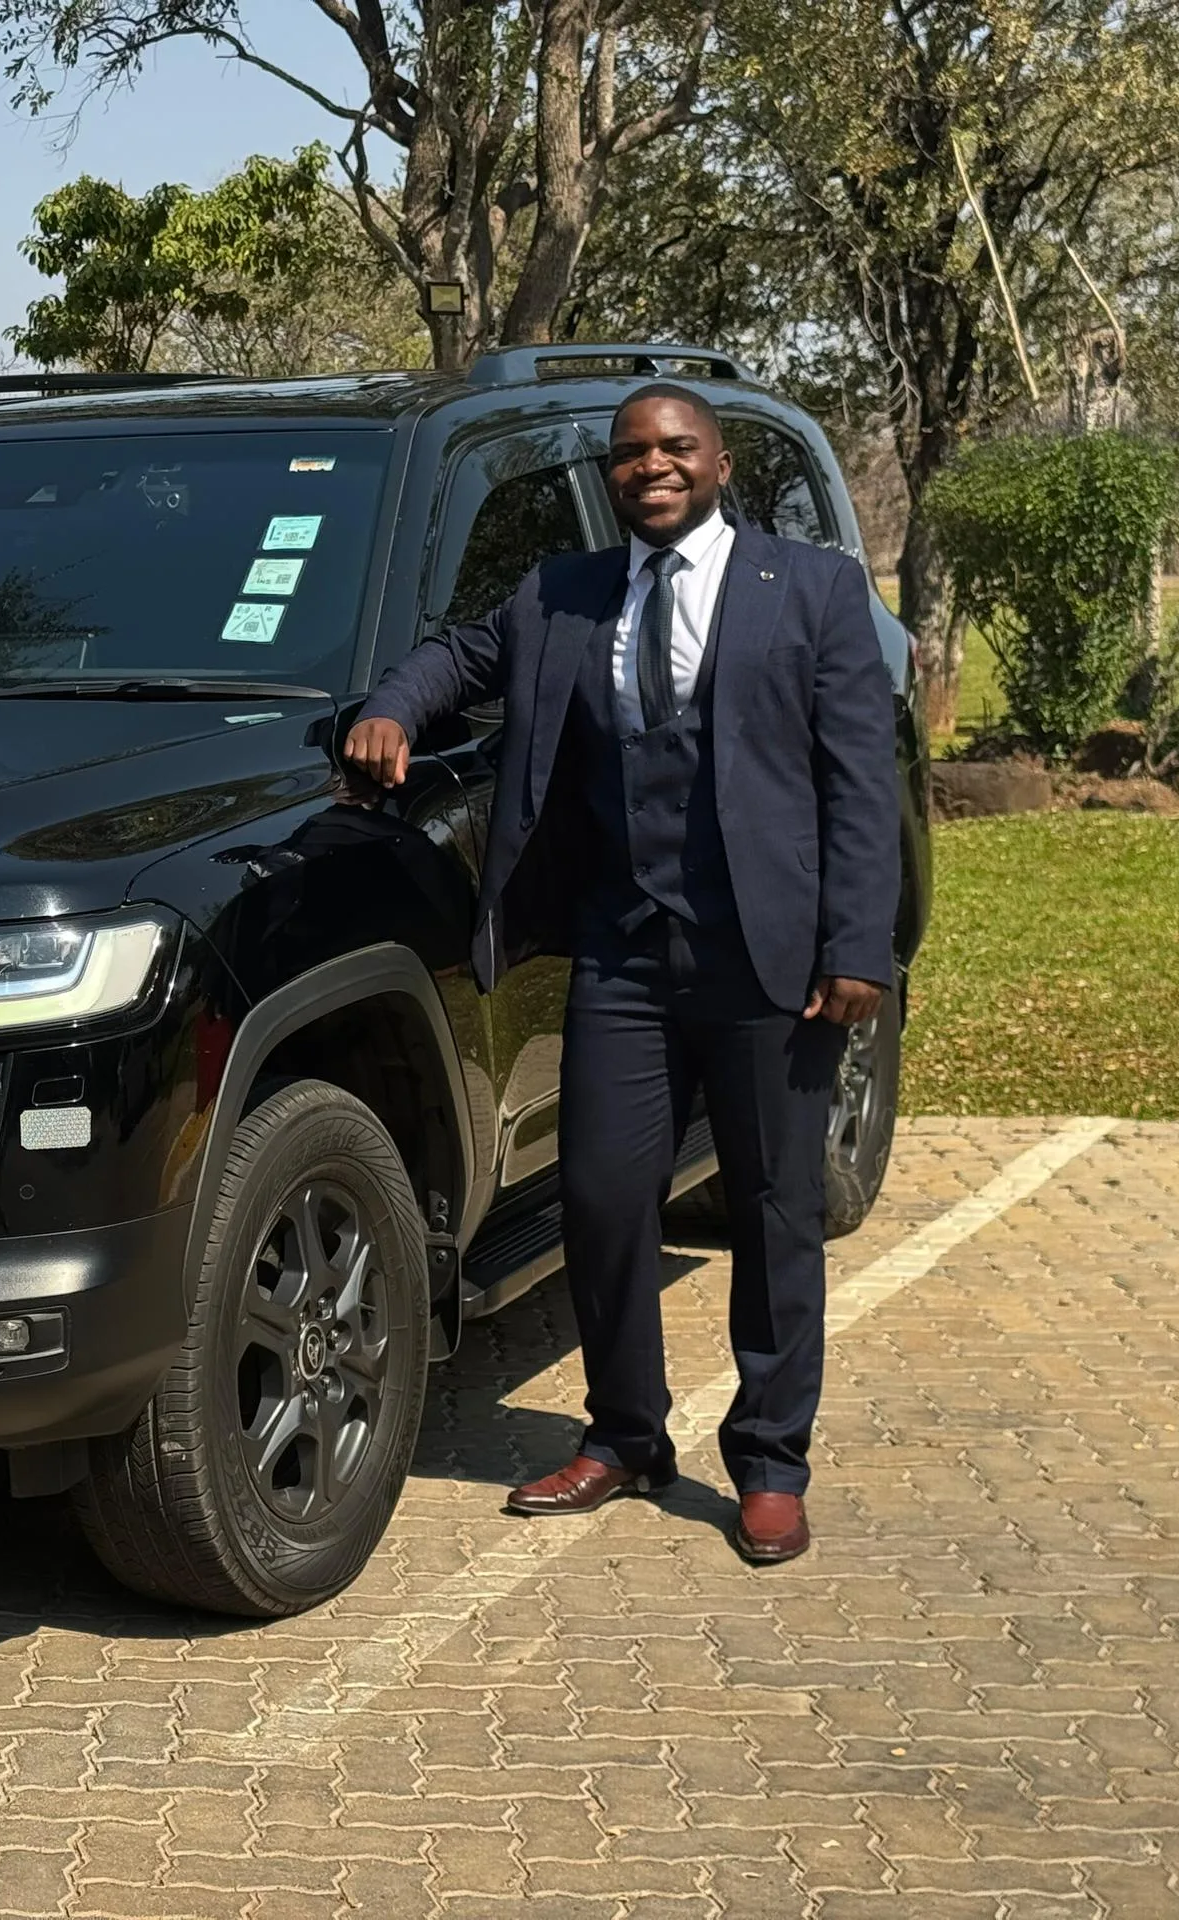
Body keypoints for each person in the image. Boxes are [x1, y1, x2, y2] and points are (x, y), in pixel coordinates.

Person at [343, 383, 900, 1564]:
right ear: (611, 474)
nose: (651, 465)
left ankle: (768, 1461)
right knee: (598, 1199)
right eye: (630, 453)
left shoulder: (809, 588)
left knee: (771, 1208)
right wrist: (391, 709)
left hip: (767, 959)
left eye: (674, 448)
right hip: (622, 956)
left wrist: (857, 946)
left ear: (719, 462)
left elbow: (858, 783)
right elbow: (457, 655)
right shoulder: (562, 591)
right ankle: (626, 1435)